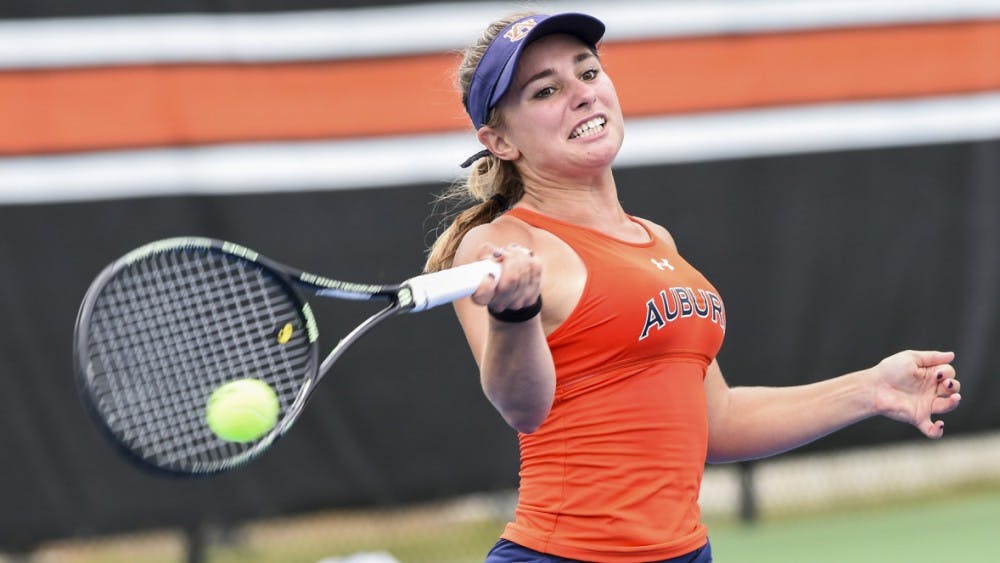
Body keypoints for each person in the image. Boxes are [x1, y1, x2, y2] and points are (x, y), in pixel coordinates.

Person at [423, 11, 962, 563]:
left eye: (587, 73)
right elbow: (523, 409)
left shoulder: (655, 240)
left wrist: (872, 390)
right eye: (546, 90)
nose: (582, 95)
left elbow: (718, 422)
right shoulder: (500, 245)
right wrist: (515, 315)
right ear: (499, 140)